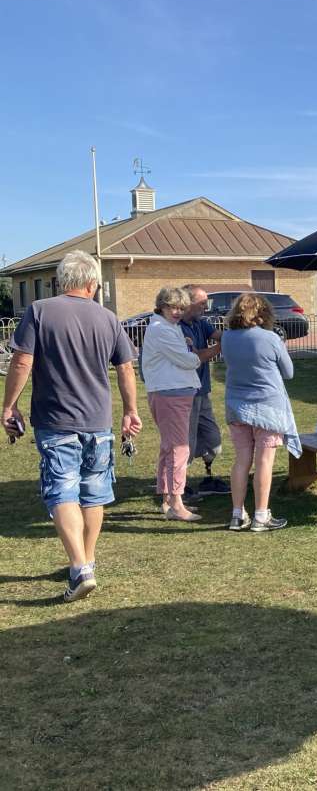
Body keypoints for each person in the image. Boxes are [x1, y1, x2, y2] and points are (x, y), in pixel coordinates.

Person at [2, 250, 142, 601]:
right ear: (93, 283)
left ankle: (79, 566)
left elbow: (22, 361)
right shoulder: (108, 318)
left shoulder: (40, 311)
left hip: (56, 418)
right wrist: (131, 410)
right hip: (97, 419)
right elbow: (126, 367)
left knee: (61, 490)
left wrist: (9, 405)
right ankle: (87, 561)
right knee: (93, 493)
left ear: (62, 281)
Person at [222, 293, 301, 532]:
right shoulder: (270, 338)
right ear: (263, 313)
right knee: (264, 461)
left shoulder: (227, 337)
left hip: (237, 405)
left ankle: (237, 514)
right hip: (268, 406)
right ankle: (261, 515)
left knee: (241, 461)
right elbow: (289, 372)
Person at [141, 286, 203, 522]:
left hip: (172, 391)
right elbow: (186, 361)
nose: (177, 312)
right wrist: (194, 355)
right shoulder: (161, 330)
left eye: (181, 308)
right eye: (172, 307)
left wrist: (188, 350)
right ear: (162, 306)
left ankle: (168, 499)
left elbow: (182, 356)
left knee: (169, 447)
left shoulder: (167, 327)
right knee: (179, 447)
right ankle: (176, 502)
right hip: (171, 393)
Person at [180, 285, 227, 496]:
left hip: (202, 392)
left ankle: (208, 478)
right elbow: (196, 358)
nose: (205, 307)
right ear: (187, 303)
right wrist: (220, 347)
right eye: (201, 303)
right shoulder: (178, 328)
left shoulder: (201, 323)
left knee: (213, 441)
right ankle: (179, 485)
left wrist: (236, 332)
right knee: (185, 441)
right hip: (185, 394)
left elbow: (219, 335)